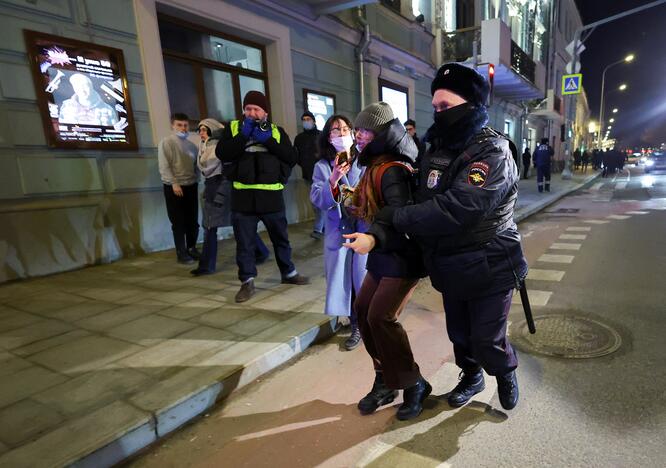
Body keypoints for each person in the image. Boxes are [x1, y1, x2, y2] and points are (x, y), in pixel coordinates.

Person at [370, 63, 528, 411]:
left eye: (447, 106)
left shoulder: (492, 151)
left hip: (491, 262)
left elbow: (458, 208)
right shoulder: (437, 147)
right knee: (460, 335)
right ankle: (471, 377)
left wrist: (398, 216)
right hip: (450, 263)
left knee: (487, 338)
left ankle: (505, 371)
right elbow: (423, 193)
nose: (439, 113)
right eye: (436, 107)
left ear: (471, 105)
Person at [343, 102, 430, 421]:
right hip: (382, 253)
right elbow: (375, 208)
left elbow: (401, 218)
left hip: (403, 255)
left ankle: (414, 384)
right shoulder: (374, 163)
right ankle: (384, 379)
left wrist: (372, 238)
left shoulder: (392, 167)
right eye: (357, 131)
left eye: (363, 131)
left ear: (380, 133)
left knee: (381, 316)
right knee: (363, 312)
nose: (358, 137)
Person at [216, 91, 309, 303]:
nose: (252, 113)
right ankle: (247, 281)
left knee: (281, 239)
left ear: (265, 112)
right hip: (243, 198)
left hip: (271, 197)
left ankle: (289, 273)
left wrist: (269, 142)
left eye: (256, 109)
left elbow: (291, 157)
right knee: (245, 243)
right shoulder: (232, 129)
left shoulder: (276, 132)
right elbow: (223, 153)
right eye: (248, 109)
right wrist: (242, 136)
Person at [310, 115, 367, 350]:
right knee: (346, 282)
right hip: (339, 230)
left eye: (345, 129)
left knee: (363, 280)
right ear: (328, 137)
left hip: (363, 228)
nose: (342, 134)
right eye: (335, 131)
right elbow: (317, 198)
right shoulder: (323, 166)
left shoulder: (365, 161)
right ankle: (355, 325)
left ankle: (366, 322)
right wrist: (333, 178)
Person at [190, 119, 270, 276]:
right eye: (200, 130)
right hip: (212, 188)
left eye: (205, 129)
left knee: (218, 226)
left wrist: (220, 194)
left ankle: (207, 265)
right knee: (224, 225)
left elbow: (221, 169)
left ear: (212, 130)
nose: (201, 133)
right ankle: (261, 251)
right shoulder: (204, 146)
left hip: (221, 188)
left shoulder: (218, 146)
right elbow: (205, 168)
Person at [158, 113, 201, 264]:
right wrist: (174, 183)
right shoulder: (167, 142)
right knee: (178, 222)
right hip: (174, 187)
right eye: (179, 125)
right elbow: (165, 165)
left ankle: (192, 248)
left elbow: (196, 166)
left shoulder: (192, 146)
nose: (183, 128)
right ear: (172, 126)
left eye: (185, 125)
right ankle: (181, 253)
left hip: (191, 186)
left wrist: (197, 180)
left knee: (193, 221)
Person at [294, 111, 324, 240]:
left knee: (320, 202)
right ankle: (323, 226)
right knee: (314, 202)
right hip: (307, 174)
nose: (306, 121)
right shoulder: (299, 138)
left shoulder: (321, 135)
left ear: (313, 120)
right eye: (304, 119)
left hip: (322, 175)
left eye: (308, 119)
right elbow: (296, 155)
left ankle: (318, 228)